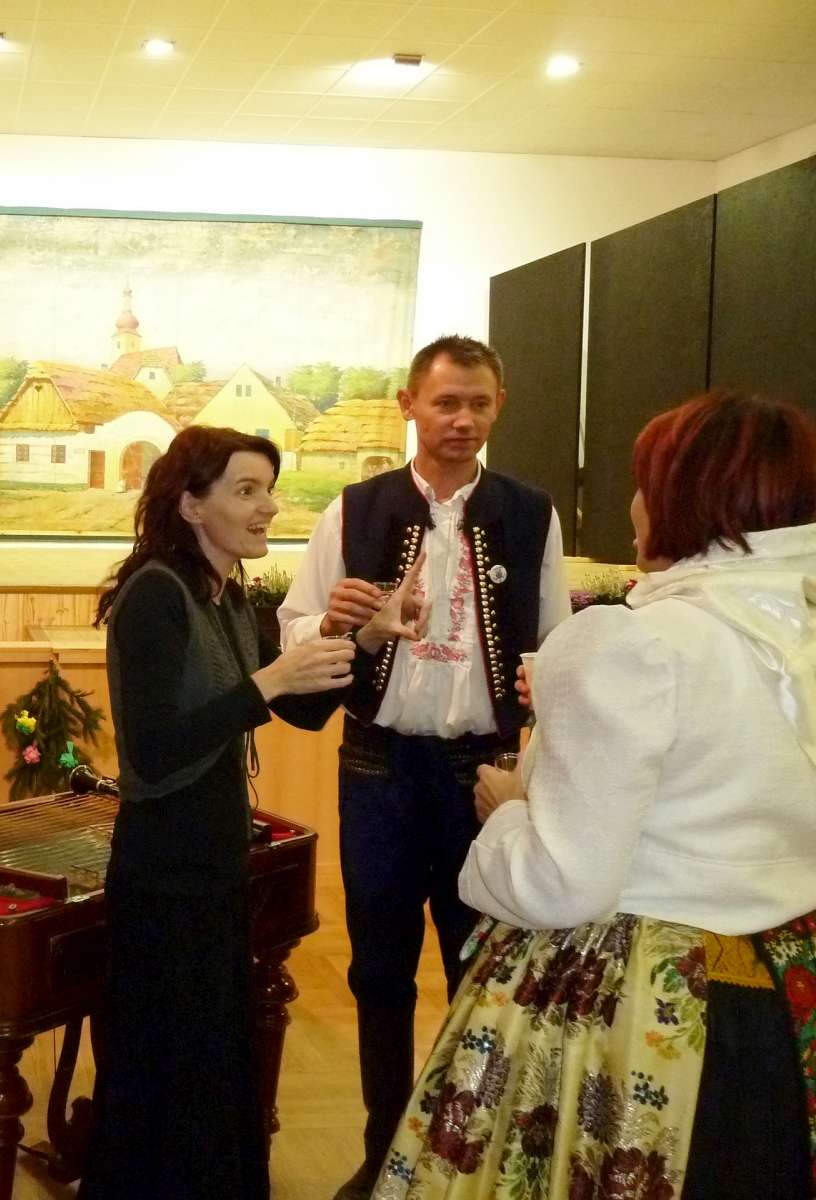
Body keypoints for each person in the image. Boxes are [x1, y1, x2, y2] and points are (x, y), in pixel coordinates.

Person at [374, 390, 816, 1198]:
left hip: (639, 1005)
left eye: (646, 483)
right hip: (784, 1002)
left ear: (686, 498)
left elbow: (562, 881)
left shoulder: (636, 642)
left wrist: (510, 809)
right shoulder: (795, 634)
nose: (635, 504)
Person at [80, 426, 423, 1200]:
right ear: (191, 505)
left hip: (214, 864)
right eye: (246, 490)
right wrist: (269, 681)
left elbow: (297, 710)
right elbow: (154, 755)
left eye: (269, 489)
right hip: (164, 873)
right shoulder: (154, 595)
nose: (269, 506)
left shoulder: (231, 595)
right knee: (164, 1073)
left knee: (212, 1068)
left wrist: (368, 639)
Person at [277, 334, 572, 1200]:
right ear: (409, 405)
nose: (463, 419)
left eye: (479, 403)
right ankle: (383, 1155)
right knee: (378, 970)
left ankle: (464, 1159)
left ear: (499, 407)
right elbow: (295, 629)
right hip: (378, 768)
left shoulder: (530, 513)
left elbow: (555, 643)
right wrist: (334, 623)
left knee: (481, 969)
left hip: (484, 775)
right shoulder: (355, 509)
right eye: (446, 402)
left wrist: (543, 709)